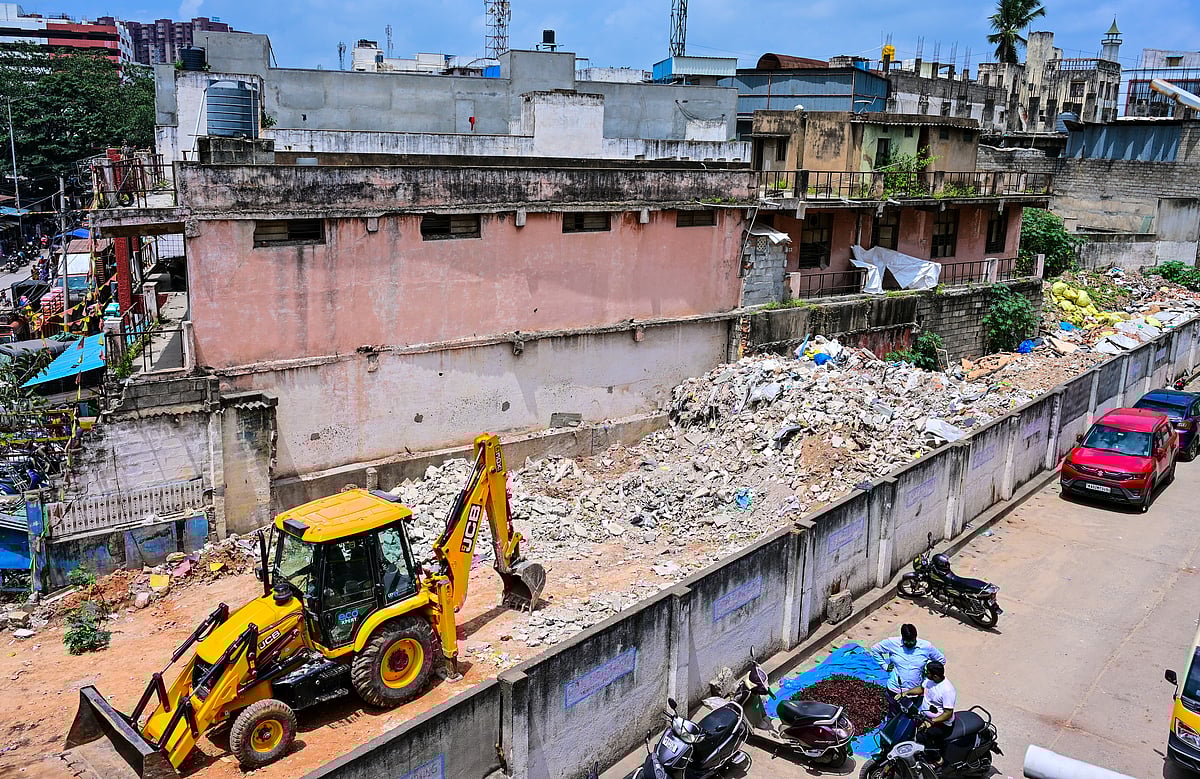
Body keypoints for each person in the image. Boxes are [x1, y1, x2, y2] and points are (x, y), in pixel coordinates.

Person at [869, 623, 946, 715]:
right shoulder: (892, 643)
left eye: (912, 641)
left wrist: (928, 669)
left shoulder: (926, 647)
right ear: (902, 638)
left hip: (915, 691)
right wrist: (884, 666)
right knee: (894, 715)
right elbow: (875, 649)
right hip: (895, 690)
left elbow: (941, 660)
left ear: (916, 637)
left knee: (911, 717)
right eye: (906, 641)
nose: (909, 643)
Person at [902, 660, 956, 764]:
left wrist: (931, 722)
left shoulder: (947, 690)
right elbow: (921, 689)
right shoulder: (929, 681)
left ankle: (937, 759)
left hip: (942, 723)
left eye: (928, 672)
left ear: (935, 676)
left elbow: (948, 713)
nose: (926, 673)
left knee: (922, 735)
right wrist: (907, 693)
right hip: (925, 717)